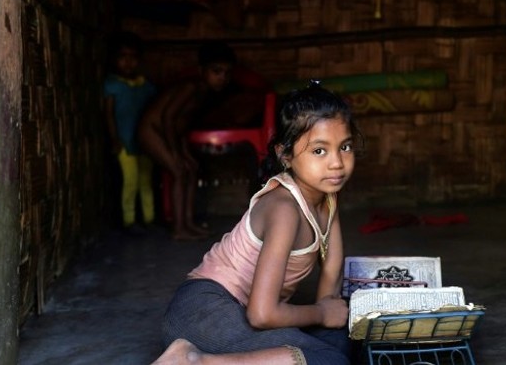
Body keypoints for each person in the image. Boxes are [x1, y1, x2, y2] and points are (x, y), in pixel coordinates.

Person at [152, 82, 362, 365]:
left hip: (237, 315)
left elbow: (331, 278)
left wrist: (328, 314)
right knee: (329, 360)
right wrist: (322, 313)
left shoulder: (327, 198)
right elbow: (262, 314)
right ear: (284, 154)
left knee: (342, 341)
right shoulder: (284, 207)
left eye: (345, 147)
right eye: (319, 151)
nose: (337, 162)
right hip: (203, 312)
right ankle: (195, 361)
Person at [138, 41, 239, 241]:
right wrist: (175, 153)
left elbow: (182, 124)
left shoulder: (204, 93)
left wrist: (184, 153)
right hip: (150, 131)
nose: (222, 78)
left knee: (190, 169)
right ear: (202, 70)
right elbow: (168, 117)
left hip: (167, 133)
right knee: (179, 171)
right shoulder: (191, 87)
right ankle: (178, 228)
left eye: (227, 73)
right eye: (216, 71)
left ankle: (188, 223)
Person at [103, 31, 158, 234]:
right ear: (114, 59)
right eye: (122, 57)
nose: (128, 62)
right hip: (124, 142)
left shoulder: (146, 86)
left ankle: (149, 219)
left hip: (145, 142)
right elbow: (108, 114)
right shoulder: (112, 84)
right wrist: (114, 139)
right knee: (130, 182)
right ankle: (129, 221)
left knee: (146, 182)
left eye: (132, 57)